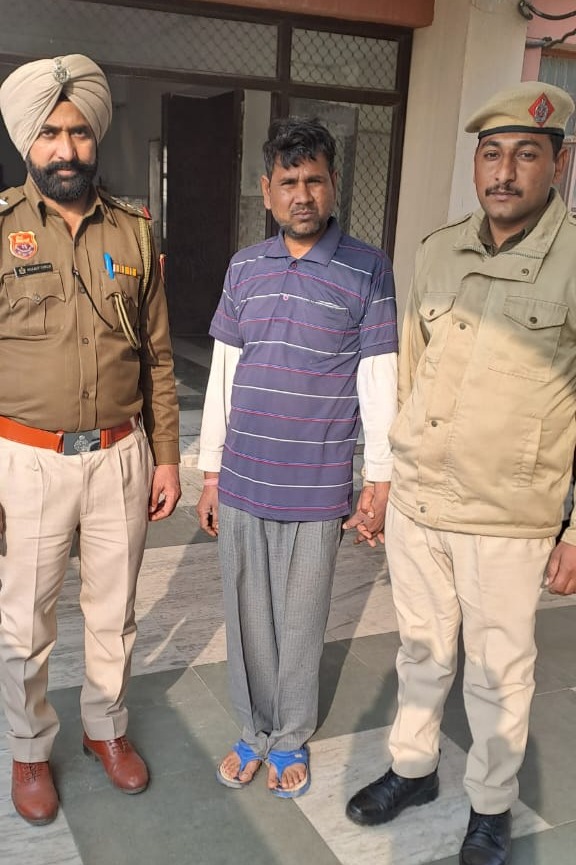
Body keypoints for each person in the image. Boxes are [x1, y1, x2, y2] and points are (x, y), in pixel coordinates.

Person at [345, 81, 576, 865]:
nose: (504, 172)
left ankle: (491, 806)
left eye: (525, 155)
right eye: (491, 154)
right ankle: (414, 768)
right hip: (421, 504)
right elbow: (411, 373)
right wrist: (390, 476)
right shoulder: (439, 250)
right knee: (421, 650)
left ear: (558, 165)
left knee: (499, 672)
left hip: (508, 516)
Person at [0, 55, 181, 825]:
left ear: (95, 137)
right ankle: (28, 748)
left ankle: (105, 728)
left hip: (119, 456)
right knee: (25, 622)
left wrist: (166, 457)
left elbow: (159, 357)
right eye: (50, 133)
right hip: (26, 459)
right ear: (27, 142)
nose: (66, 148)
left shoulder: (134, 230)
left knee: (115, 610)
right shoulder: (3, 228)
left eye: (78, 132)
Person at [195, 117, 398, 797]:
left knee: (302, 618)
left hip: (316, 484)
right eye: (289, 182)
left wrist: (379, 477)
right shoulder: (244, 267)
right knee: (247, 614)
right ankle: (252, 730)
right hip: (243, 479)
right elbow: (224, 373)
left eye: (314, 179)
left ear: (334, 183)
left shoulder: (368, 268)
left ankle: (289, 737)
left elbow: (378, 378)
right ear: (267, 190)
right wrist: (211, 472)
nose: (302, 194)